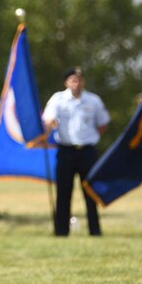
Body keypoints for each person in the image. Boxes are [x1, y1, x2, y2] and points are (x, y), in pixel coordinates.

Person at [42, 66, 109, 237]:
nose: (76, 83)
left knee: (90, 191)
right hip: (66, 151)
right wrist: (49, 126)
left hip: (87, 151)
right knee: (64, 192)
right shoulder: (58, 100)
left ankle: (95, 230)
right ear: (66, 82)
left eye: (79, 79)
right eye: (73, 80)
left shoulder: (93, 101)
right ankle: (61, 231)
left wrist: (90, 137)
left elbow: (103, 124)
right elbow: (48, 119)